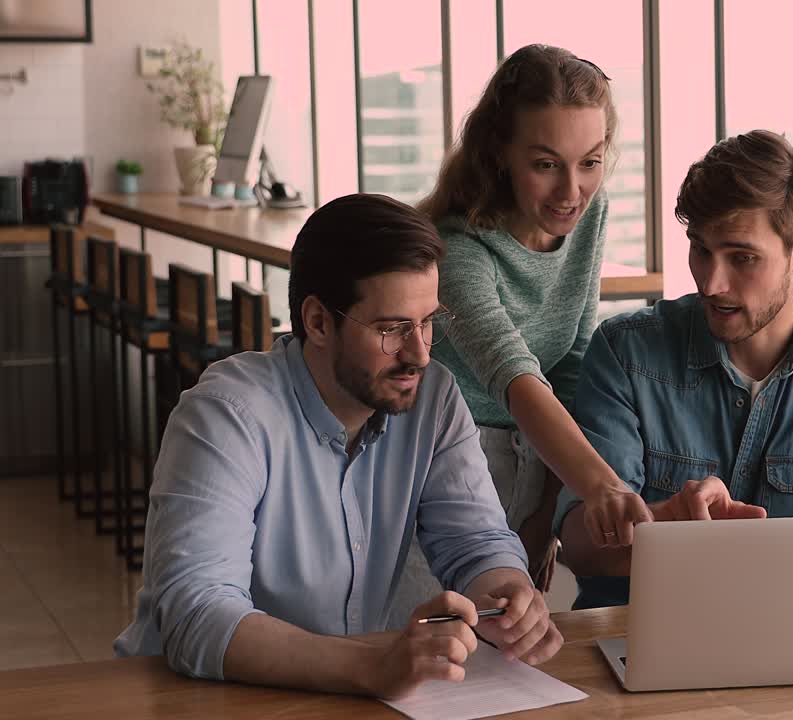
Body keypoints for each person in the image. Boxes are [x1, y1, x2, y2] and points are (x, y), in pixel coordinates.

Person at [114, 194, 561, 700]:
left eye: (429, 322)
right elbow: (197, 615)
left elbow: (475, 543)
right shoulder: (225, 414)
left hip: (334, 697)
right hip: (191, 698)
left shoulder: (432, 398)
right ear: (319, 322)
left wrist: (507, 593)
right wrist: (371, 666)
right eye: (392, 329)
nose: (418, 353)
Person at [555, 130, 793, 609]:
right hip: (639, 639)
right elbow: (579, 544)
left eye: (742, 258)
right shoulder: (625, 352)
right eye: (701, 249)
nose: (712, 283)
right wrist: (669, 523)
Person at [417, 43, 650, 591]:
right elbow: (514, 375)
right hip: (438, 460)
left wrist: (547, 513)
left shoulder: (588, 218)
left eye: (590, 162)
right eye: (546, 165)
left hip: (540, 455)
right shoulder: (457, 247)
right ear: (501, 152)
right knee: (434, 647)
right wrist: (602, 486)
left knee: (512, 659)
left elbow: (571, 360)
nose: (572, 192)